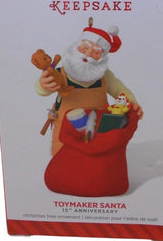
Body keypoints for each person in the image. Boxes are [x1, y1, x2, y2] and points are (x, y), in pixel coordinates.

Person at [36, 20, 143, 155]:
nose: (87, 54)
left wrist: (132, 104)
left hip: (98, 130)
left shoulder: (104, 76)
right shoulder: (60, 73)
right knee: (65, 159)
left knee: (95, 159)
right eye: (85, 47)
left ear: (102, 57)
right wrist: (42, 85)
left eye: (95, 52)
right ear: (76, 47)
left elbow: (120, 91)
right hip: (65, 130)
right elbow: (43, 90)